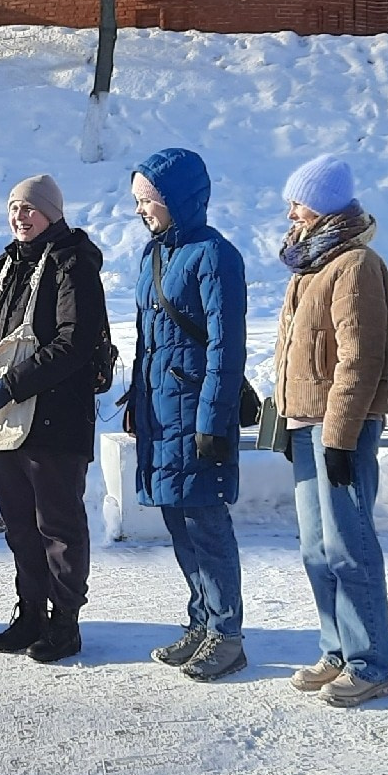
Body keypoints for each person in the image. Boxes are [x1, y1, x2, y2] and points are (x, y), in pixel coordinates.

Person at [0, 176, 111, 665]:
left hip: (55, 419)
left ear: (52, 212)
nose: (20, 217)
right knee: (20, 525)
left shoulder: (73, 262)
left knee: (58, 527)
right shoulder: (5, 264)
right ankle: (31, 614)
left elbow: (75, 341)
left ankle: (65, 622)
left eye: (30, 209)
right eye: (14, 208)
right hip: (5, 420)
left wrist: (11, 384)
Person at [269, 156, 388, 707]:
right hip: (304, 425)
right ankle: (337, 649)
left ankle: (369, 662)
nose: (291, 210)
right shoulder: (309, 262)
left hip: (338, 429)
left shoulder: (355, 265)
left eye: (299, 201)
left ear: (324, 206)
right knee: (316, 548)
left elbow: (360, 360)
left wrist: (340, 438)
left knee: (349, 547)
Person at [128, 148, 251, 683]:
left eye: (149, 200)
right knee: (178, 521)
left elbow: (227, 349)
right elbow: (145, 342)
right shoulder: (153, 255)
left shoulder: (215, 255)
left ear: (180, 199)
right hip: (159, 413)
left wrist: (210, 423)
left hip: (196, 415)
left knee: (206, 524)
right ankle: (201, 624)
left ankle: (227, 635)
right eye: (137, 200)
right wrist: (135, 402)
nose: (141, 210)